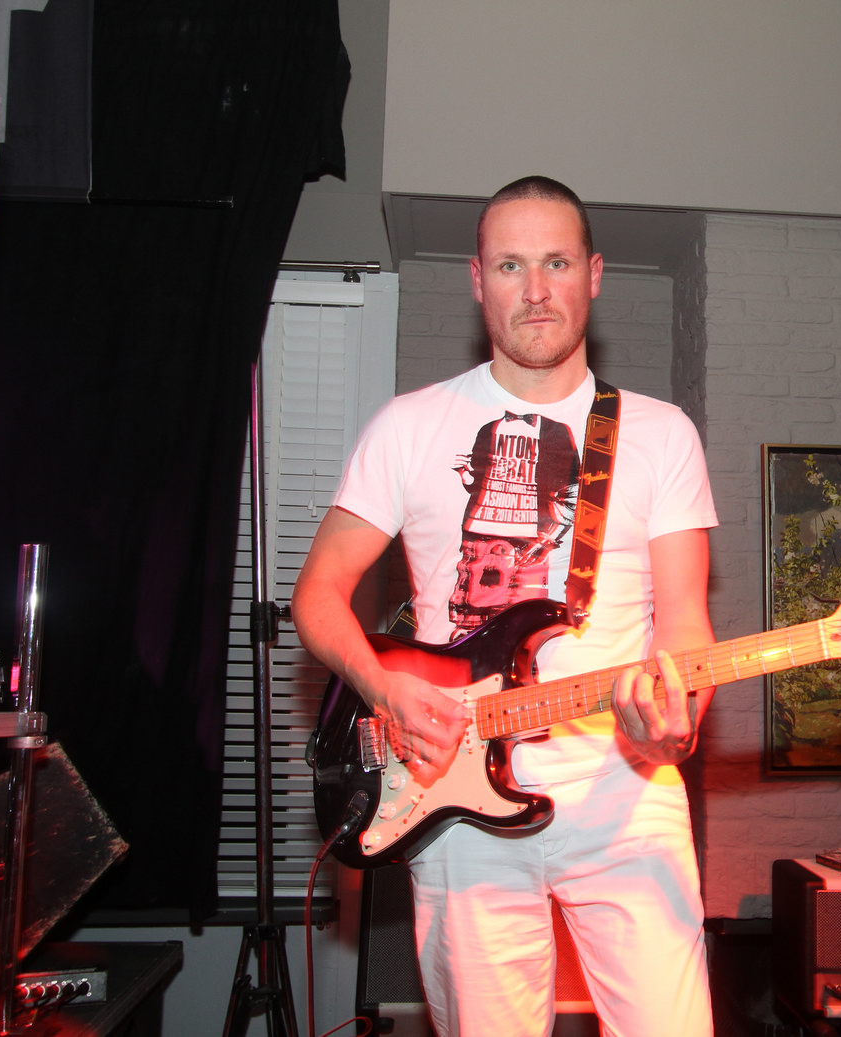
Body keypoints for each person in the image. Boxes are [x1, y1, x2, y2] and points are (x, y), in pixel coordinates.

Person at [291, 175, 717, 1037]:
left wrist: (677, 725)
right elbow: (317, 593)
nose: (535, 289)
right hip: (454, 795)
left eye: (556, 262)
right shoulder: (408, 426)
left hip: (626, 795)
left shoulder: (661, 432)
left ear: (593, 274)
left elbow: (683, 625)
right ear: (476, 279)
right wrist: (381, 686)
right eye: (510, 265)